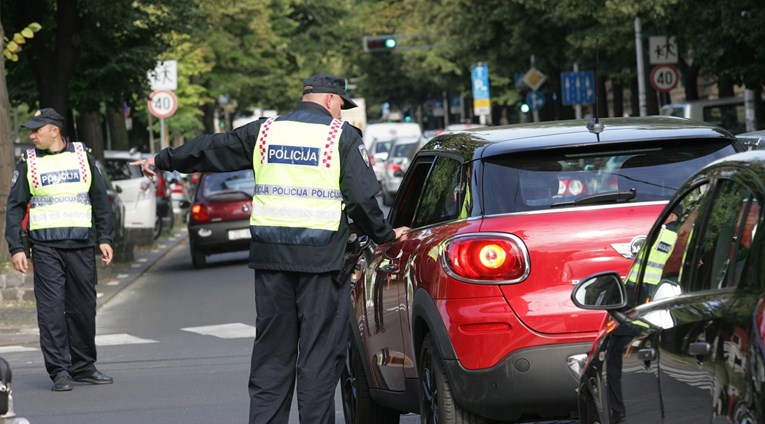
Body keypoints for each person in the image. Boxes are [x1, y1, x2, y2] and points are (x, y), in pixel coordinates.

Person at [131, 73, 408, 423]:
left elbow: (213, 149)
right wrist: (387, 235)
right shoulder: (340, 137)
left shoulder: (265, 131)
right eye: (341, 105)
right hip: (322, 264)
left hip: (272, 261)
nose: (342, 113)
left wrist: (163, 160)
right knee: (319, 359)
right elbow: (363, 201)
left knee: (272, 358)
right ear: (328, 100)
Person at [5, 108, 115, 392]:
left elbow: (99, 199)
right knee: (52, 311)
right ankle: (60, 372)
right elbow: (15, 207)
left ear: (54, 130)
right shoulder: (28, 162)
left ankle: (84, 367)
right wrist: (17, 247)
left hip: (81, 245)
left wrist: (105, 237)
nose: (31, 135)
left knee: (83, 309)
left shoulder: (82, 156)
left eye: (36, 130)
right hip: (45, 248)